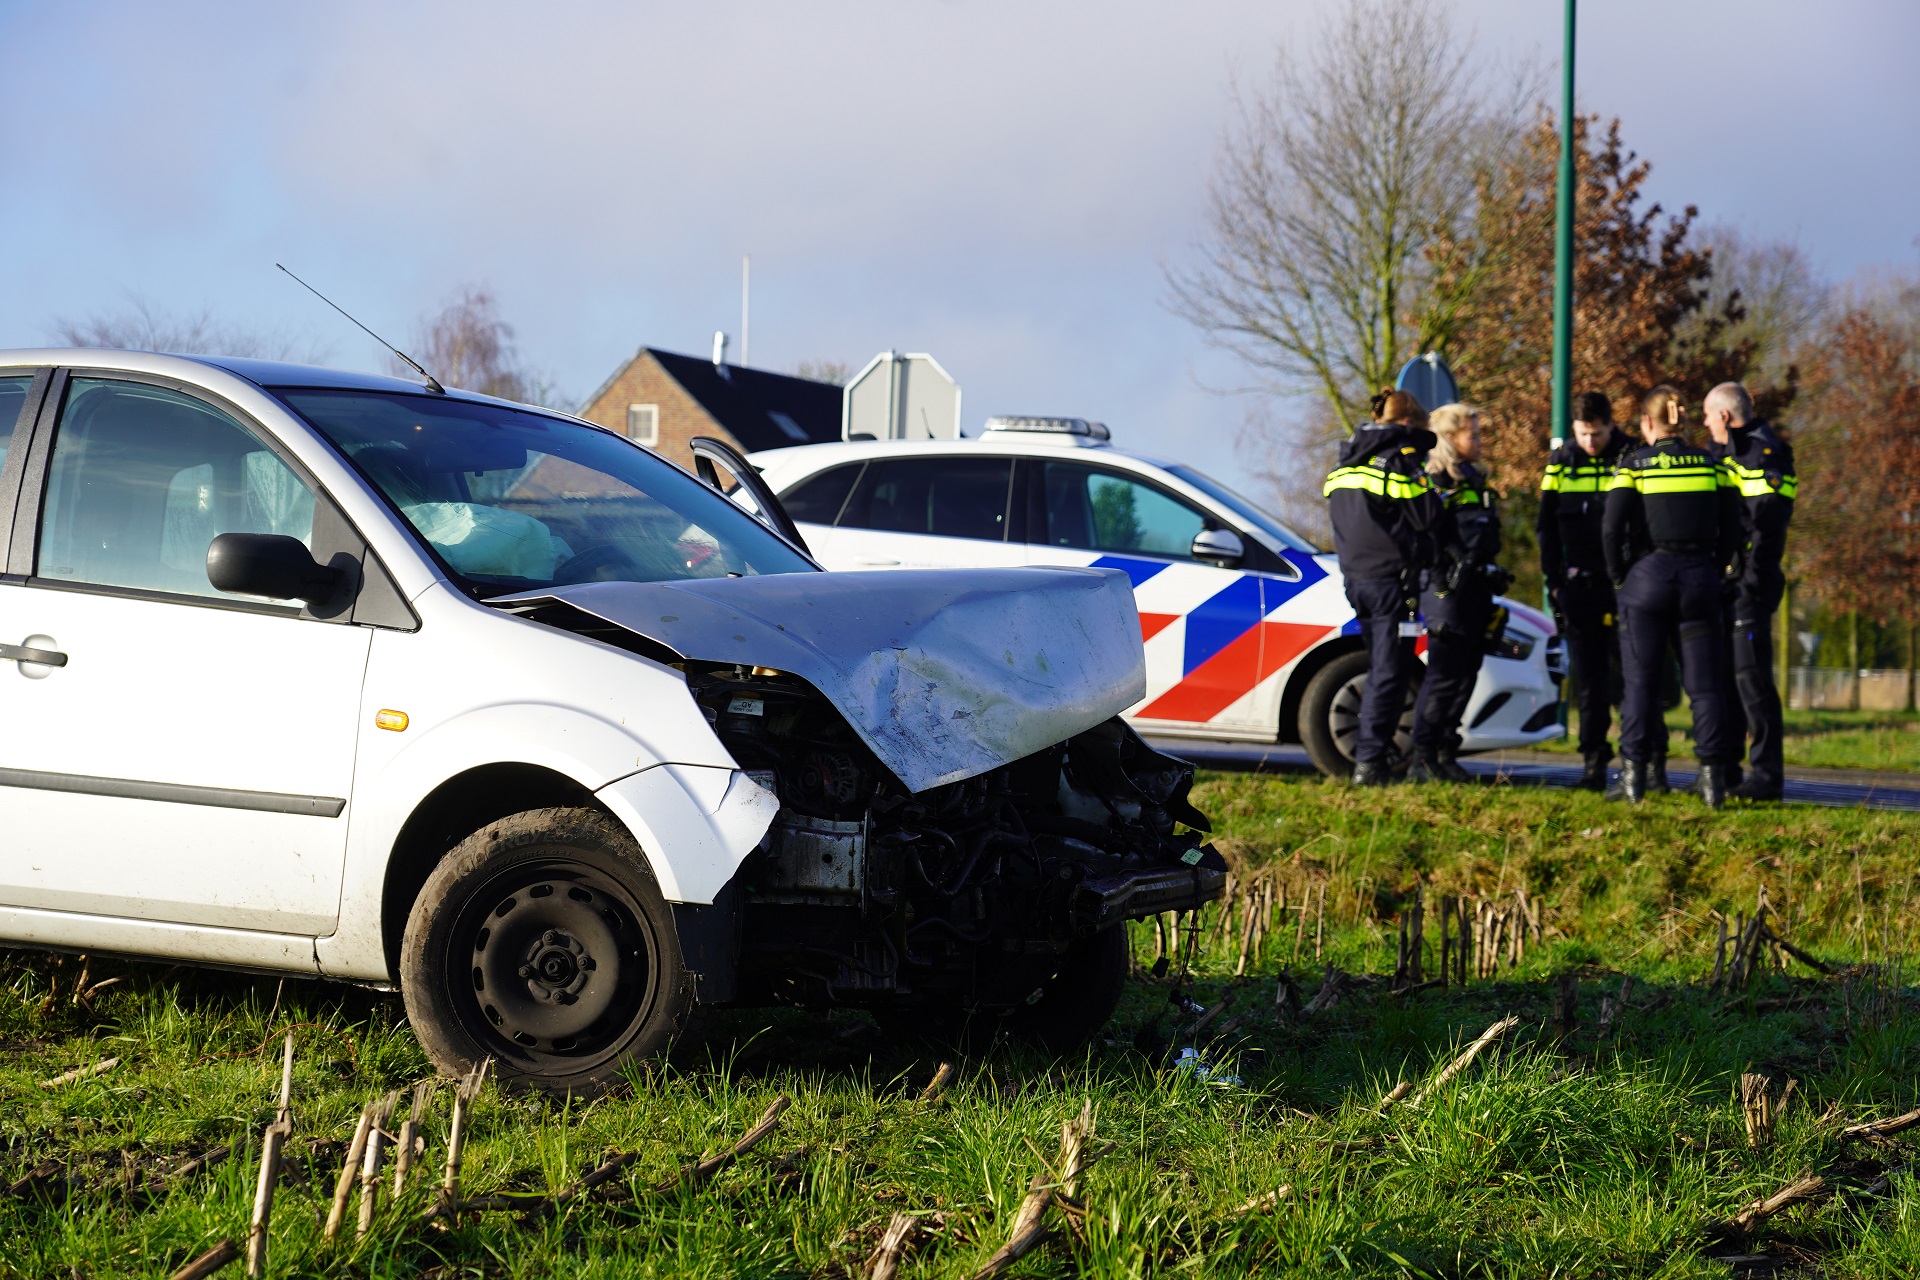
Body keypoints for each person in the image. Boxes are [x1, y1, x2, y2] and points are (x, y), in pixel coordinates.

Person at [1602, 386, 1744, 807]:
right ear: (1681, 421)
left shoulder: (1634, 466)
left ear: (1647, 424)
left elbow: (1611, 529)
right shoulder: (1712, 464)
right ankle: (1712, 780)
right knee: (1705, 687)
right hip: (1699, 579)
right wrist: (1716, 567)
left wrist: (1619, 578)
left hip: (1649, 581)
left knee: (1640, 685)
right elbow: (1734, 525)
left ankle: (1633, 779)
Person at [1324, 389, 1443, 786]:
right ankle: (1370, 763)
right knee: (1389, 674)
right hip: (1392, 584)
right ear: (1407, 425)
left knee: (1382, 669)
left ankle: (1374, 756)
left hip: (1357, 582)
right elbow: (1428, 516)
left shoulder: (1344, 465)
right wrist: (1423, 472)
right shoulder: (1398, 465)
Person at [1703, 381, 1796, 801]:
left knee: (1751, 680)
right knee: (1724, 678)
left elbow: (1766, 530)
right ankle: (1726, 770)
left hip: (1748, 588)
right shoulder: (1724, 454)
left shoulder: (1763, 454)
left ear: (1724, 416)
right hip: (1724, 583)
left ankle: (1766, 775)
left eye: (1708, 416)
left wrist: (1750, 585)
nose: (1705, 424)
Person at [1409, 404, 1510, 782]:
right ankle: (1423, 756)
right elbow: (1429, 538)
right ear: (1451, 438)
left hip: (1476, 591)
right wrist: (1445, 578)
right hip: (1446, 593)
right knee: (1444, 676)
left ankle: (1445, 752)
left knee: (1467, 673)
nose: (1481, 441)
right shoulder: (1433, 479)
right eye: (1474, 434)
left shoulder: (1473, 479)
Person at [1539, 391, 1631, 790]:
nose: (1590, 442)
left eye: (1596, 433)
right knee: (1590, 683)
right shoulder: (1561, 463)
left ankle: (1640, 762)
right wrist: (1554, 583)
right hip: (1579, 587)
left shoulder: (1631, 456)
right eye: (1582, 434)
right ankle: (1594, 764)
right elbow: (1546, 529)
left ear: (1611, 424)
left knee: (1633, 678)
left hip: (1625, 586)